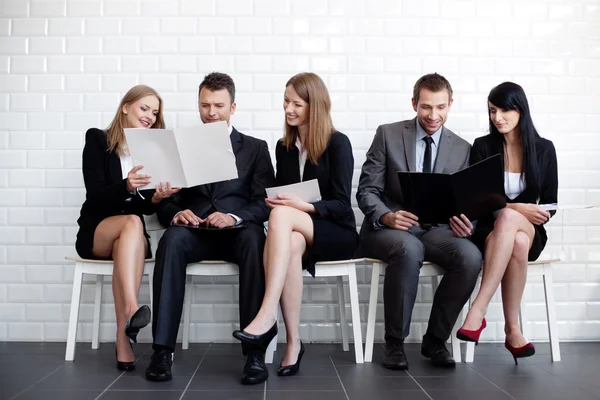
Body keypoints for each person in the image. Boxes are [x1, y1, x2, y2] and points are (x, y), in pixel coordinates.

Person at [145, 72, 276, 384]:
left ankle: (254, 351)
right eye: (205, 105)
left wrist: (235, 217)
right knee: (171, 240)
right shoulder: (180, 146)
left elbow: (264, 201)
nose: (211, 112)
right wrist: (176, 213)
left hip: (238, 232)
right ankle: (162, 350)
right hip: (195, 232)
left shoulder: (256, 148)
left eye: (218, 105)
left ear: (233, 108)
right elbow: (165, 201)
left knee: (255, 239)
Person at [232, 72, 358, 378]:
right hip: (297, 231)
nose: (289, 109)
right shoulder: (283, 146)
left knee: (282, 217)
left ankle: (264, 316)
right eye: (286, 101)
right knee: (287, 240)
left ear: (315, 107)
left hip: (336, 230)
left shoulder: (337, 143)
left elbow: (343, 203)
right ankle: (293, 342)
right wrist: (273, 201)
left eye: (297, 104)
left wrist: (305, 206)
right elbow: (280, 194)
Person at [356, 73, 482, 370]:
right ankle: (395, 342)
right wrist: (387, 215)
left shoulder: (462, 148)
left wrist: (469, 224)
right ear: (414, 104)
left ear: (451, 104)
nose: (433, 115)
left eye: (441, 107)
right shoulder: (387, 134)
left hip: (436, 230)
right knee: (408, 249)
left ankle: (435, 340)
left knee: (470, 256)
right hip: (389, 229)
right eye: (426, 107)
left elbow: (467, 203)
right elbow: (367, 190)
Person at [76, 85, 179, 371]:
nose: (149, 116)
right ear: (125, 107)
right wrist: (125, 186)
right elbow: (94, 195)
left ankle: (124, 339)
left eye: (155, 113)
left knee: (132, 226)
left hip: (130, 238)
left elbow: (144, 207)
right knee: (131, 223)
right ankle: (133, 309)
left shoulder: (149, 151)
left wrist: (157, 198)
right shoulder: (98, 140)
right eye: (144, 108)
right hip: (98, 229)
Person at [457, 82, 558, 364]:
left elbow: (550, 202)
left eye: (504, 110)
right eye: (492, 111)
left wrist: (532, 213)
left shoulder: (544, 149)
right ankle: (513, 330)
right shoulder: (483, 146)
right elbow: (475, 199)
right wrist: (513, 206)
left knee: (516, 224)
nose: (497, 117)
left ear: (520, 110)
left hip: (531, 228)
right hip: (490, 232)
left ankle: (478, 309)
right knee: (516, 238)